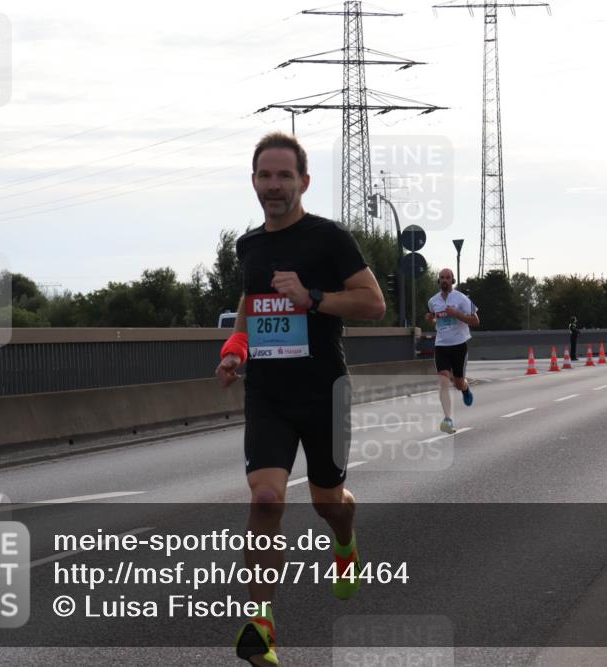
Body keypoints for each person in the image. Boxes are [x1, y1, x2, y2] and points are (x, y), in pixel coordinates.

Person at [216, 132, 386, 666]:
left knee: (326, 502)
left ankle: (346, 545)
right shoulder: (249, 247)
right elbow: (250, 307)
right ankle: (262, 627)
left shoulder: (329, 239)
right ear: (253, 183)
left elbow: (374, 303)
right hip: (268, 392)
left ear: (303, 182)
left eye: (284, 175)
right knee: (266, 500)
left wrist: (313, 297)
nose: (273, 185)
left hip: (323, 392)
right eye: (264, 176)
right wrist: (236, 348)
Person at [426, 268, 480, 434]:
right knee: (443, 382)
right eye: (442, 278)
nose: (444, 280)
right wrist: (430, 319)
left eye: (447, 278)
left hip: (459, 345)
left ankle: (465, 388)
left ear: (452, 280)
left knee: (457, 383)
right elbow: (435, 320)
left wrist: (456, 313)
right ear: (438, 280)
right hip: (441, 346)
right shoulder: (433, 301)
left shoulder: (461, 298)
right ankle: (448, 419)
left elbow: (476, 321)